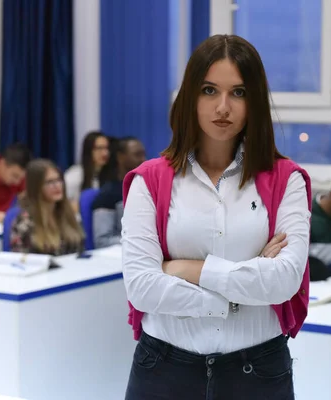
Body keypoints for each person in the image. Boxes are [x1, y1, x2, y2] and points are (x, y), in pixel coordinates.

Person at [121, 34, 312, 400]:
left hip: (258, 372)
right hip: (162, 369)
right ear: (190, 96)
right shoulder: (150, 180)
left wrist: (184, 269)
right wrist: (241, 291)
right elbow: (142, 288)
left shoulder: (287, 181)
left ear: (254, 100)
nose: (223, 107)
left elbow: (285, 280)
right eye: (209, 90)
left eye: (238, 93)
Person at [10, 159, 84, 256]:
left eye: (58, 180)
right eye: (50, 182)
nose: (57, 186)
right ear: (36, 187)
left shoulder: (65, 212)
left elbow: (80, 248)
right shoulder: (25, 222)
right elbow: (22, 261)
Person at [92, 137, 146, 248]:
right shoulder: (108, 195)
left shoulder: (147, 188)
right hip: (122, 254)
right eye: (137, 155)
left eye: (143, 154)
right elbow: (102, 240)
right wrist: (139, 241)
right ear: (120, 157)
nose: (143, 160)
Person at [64, 131, 110, 212]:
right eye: (99, 148)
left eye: (106, 148)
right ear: (89, 151)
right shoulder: (75, 175)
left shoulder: (107, 175)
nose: (105, 153)